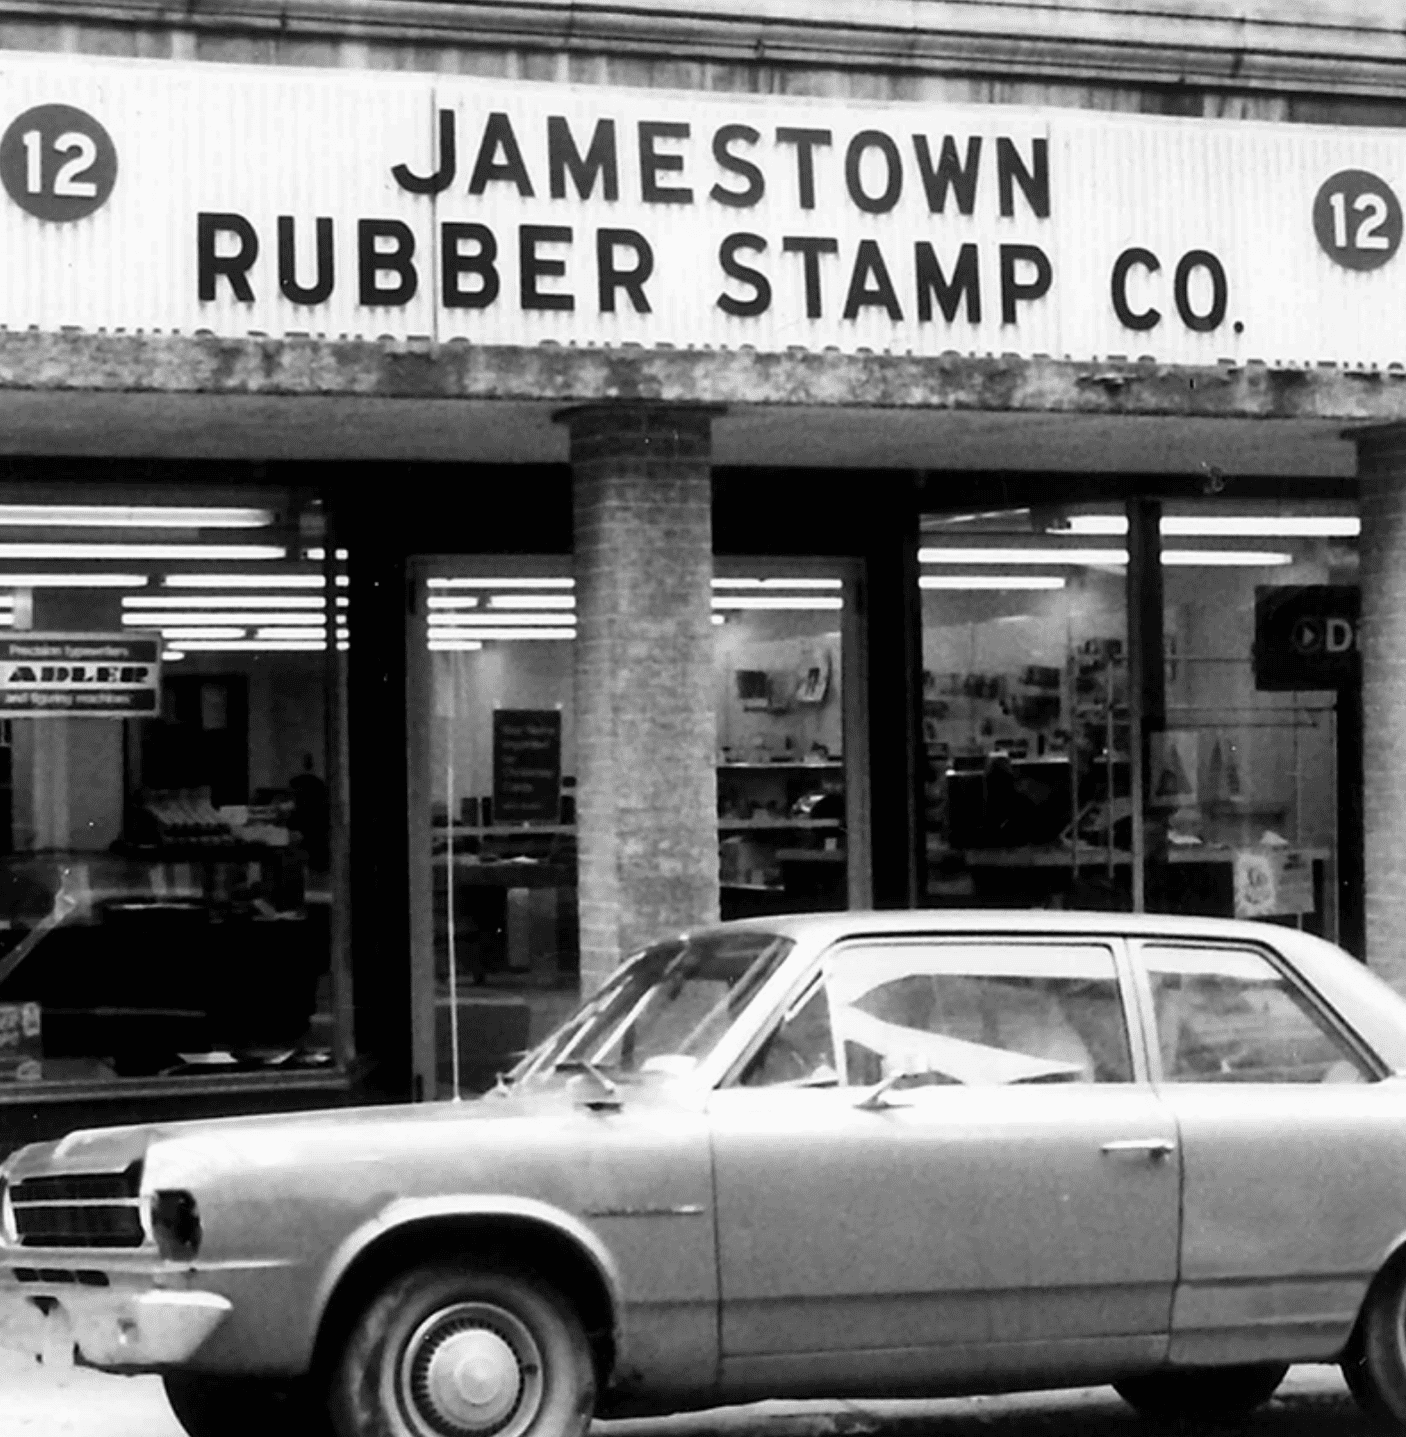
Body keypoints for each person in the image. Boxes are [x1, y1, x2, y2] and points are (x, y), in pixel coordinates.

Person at [289, 754, 329, 869]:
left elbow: (294, 803)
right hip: (315, 822)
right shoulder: (319, 784)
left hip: (301, 820)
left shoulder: (295, 782)